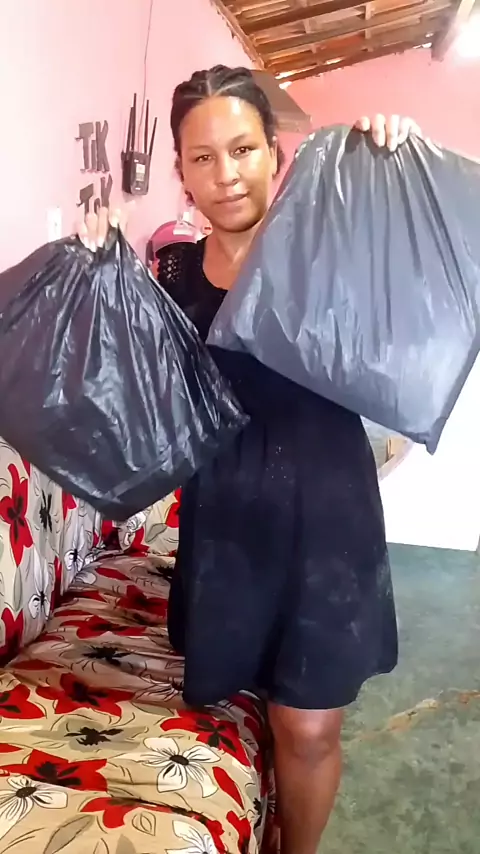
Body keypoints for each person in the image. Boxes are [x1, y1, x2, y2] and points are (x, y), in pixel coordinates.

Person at [79, 67, 421, 854]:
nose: (225, 175)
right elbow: (140, 401)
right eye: (202, 158)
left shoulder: (332, 250)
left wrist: (391, 159)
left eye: (242, 150)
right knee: (245, 701)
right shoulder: (172, 272)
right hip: (225, 526)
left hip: (327, 522)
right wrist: (97, 280)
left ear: (275, 152)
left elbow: (408, 272)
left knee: (309, 727)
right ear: (181, 171)